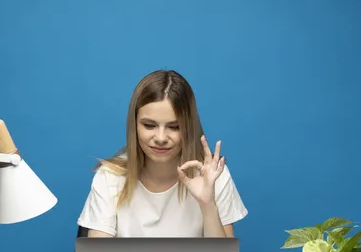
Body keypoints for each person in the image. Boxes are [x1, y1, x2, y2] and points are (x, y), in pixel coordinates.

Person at [77, 69, 248, 238]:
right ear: (134, 125)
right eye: (149, 125)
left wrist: (207, 203)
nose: (160, 138)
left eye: (174, 127)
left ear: (188, 127)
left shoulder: (213, 177)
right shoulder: (110, 177)